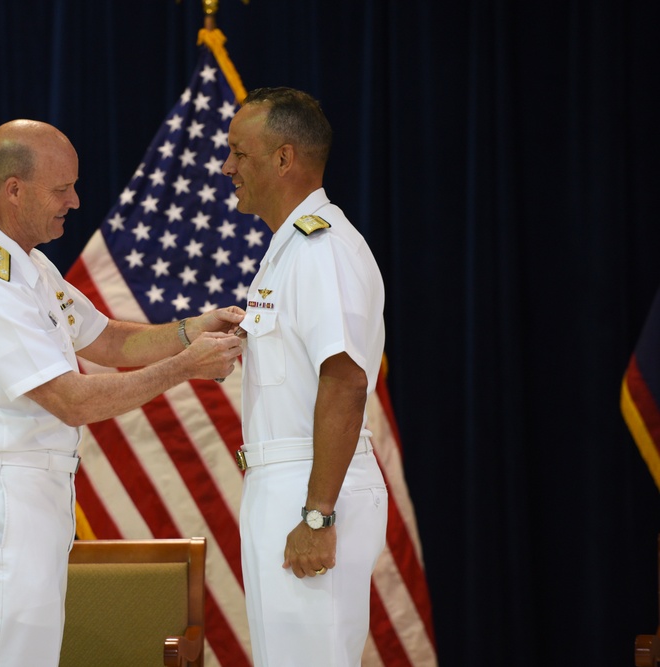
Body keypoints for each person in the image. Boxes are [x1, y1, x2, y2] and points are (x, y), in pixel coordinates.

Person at [0, 118, 244, 666]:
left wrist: (193, 328)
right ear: (14, 189)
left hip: (38, 497)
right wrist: (185, 368)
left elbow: (110, 340)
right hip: (7, 498)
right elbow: (71, 399)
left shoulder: (30, 264)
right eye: (62, 188)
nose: (75, 201)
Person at [222, 87, 389, 666]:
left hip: (313, 488)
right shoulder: (287, 249)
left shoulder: (321, 249)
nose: (227, 167)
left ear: (284, 158)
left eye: (239, 154)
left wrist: (318, 514)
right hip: (289, 484)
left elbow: (345, 381)